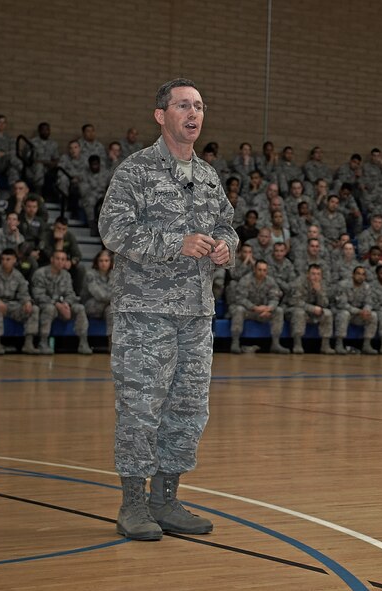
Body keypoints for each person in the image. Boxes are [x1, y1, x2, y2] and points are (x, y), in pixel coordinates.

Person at [98, 78, 238, 542]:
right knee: (141, 408)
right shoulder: (135, 171)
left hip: (196, 315)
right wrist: (173, 244)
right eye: (183, 105)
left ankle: (166, 499)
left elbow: (227, 226)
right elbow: (113, 230)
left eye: (199, 105)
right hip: (145, 313)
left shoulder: (209, 176)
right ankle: (133, 505)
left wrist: (225, 248)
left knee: (187, 409)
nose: (193, 113)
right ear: (161, 115)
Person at [0, 247, 40, 355]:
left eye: (8, 259)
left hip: (12, 305)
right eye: (3, 259)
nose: (4, 262)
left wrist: (27, 301)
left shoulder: (18, 275)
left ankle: (28, 343)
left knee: (33, 309)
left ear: (14, 260)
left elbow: (23, 292)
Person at [32, 249, 92, 355]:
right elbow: (38, 295)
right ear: (52, 260)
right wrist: (56, 304)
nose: (60, 262)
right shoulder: (40, 273)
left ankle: (83, 342)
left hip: (62, 306)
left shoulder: (66, 275)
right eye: (58, 259)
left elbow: (70, 293)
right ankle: (43, 342)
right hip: (46, 305)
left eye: (63, 259)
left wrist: (67, 304)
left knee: (80, 308)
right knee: (49, 309)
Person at [229, 259, 288, 354]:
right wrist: (254, 308)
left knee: (279, 311)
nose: (262, 272)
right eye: (259, 269)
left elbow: (274, 298)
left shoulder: (271, 281)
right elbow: (240, 298)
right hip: (250, 311)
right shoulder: (246, 279)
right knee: (239, 309)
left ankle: (276, 344)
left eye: (264, 270)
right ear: (254, 269)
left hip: (265, 311)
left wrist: (269, 308)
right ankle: (235, 342)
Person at [289, 263, 335, 354]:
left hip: (314, 312)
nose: (315, 277)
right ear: (308, 274)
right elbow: (294, 301)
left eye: (318, 274)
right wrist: (312, 308)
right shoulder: (299, 283)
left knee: (327, 313)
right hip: (295, 309)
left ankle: (325, 345)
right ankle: (297, 344)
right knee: (299, 313)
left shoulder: (323, 284)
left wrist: (319, 292)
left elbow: (325, 304)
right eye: (313, 274)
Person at [334, 266, 378, 354]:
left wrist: (366, 310)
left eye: (363, 274)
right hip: (341, 312)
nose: (360, 276)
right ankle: (339, 344)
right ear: (353, 275)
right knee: (345, 314)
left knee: (373, 315)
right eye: (358, 274)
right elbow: (342, 304)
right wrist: (359, 311)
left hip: (358, 315)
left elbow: (369, 302)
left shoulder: (367, 287)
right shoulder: (343, 285)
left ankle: (367, 345)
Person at [82, 248, 114, 345]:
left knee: (111, 310)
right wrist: (113, 300)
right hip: (90, 306)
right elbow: (99, 295)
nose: (104, 263)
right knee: (111, 306)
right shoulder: (90, 274)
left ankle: (111, 343)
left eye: (106, 261)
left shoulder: (114, 275)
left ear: (110, 262)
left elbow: (117, 293)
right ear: (97, 262)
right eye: (101, 261)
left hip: (107, 306)